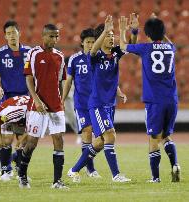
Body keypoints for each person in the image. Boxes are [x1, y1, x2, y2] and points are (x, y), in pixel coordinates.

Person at [67, 14, 138, 183]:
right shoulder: (95, 57)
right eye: (108, 36)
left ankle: (74, 169)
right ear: (101, 37)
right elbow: (91, 51)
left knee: (99, 142)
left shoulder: (114, 55)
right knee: (111, 135)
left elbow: (131, 45)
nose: (112, 39)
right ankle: (116, 175)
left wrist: (129, 31)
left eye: (112, 37)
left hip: (110, 104)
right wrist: (105, 30)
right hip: (97, 103)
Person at [119, 14, 180, 183]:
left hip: (155, 101)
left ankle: (155, 178)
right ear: (163, 33)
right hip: (172, 99)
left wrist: (126, 30)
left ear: (147, 34)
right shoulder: (171, 48)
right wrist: (159, 28)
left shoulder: (146, 48)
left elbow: (124, 46)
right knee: (166, 136)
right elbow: (167, 41)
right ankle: (175, 164)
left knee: (154, 138)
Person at [17, 24, 68, 189]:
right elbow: (29, 79)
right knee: (31, 143)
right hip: (37, 106)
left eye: (57, 36)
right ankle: (22, 175)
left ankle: (57, 181)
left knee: (59, 140)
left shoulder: (60, 56)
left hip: (55, 106)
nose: (54, 39)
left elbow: (60, 81)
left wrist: (61, 102)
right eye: (51, 36)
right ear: (43, 36)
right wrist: (37, 100)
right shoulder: (33, 53)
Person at [0, 20, 31, 179]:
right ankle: (6, 170)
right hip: (7, 100)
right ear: (5, 36)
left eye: (14, 32)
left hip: (24, 100)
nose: (12, 36)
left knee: (23, 138)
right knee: (7, 138)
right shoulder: (0, 52)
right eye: (8, 33)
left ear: (19, 33)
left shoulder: (29, 51)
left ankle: (21, 171)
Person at [62, 28, 101, 179]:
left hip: (97, 103)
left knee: (98, 138)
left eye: (93, 42)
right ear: (82, 43)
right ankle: (90, 169)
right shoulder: (74, 59)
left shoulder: (98, 58)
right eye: (88, 42)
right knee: (87, 132)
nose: (91, 45)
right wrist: (63, 98)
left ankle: (85, 167)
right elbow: (68, 81)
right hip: (82, 104)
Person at [0, 95, 30, 181]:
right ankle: (5, 171)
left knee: (24, 143)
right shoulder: (13, 113)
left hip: (23, 114)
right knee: (7, 140)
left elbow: (30, 130)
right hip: (11, 112)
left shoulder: (36, 111)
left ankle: (21, 172)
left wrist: (20, 141)